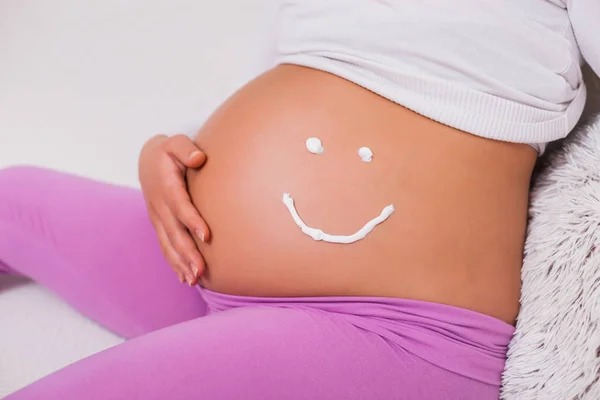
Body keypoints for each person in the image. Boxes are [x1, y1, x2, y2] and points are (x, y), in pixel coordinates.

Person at [1, 1, 599, 399]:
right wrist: (170, 155)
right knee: (11, 198)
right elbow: (295, 83)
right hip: (197, 255)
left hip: (387, 329)